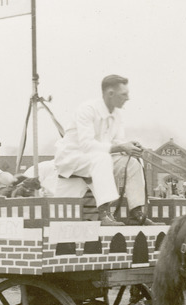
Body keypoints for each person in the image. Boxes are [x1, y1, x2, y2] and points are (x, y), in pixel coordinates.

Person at [53, 74, 154, 226]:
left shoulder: (117, 115)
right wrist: (120, 147)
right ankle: (104, 214)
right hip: (72, 159)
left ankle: (136, 213)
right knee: (102, 159)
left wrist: (129, 146)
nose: (128, 98)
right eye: (124, 94)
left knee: (132, 163)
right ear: (110, 94)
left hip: (95, 159)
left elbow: (117, 142)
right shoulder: (86, 110)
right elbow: (87, 145)